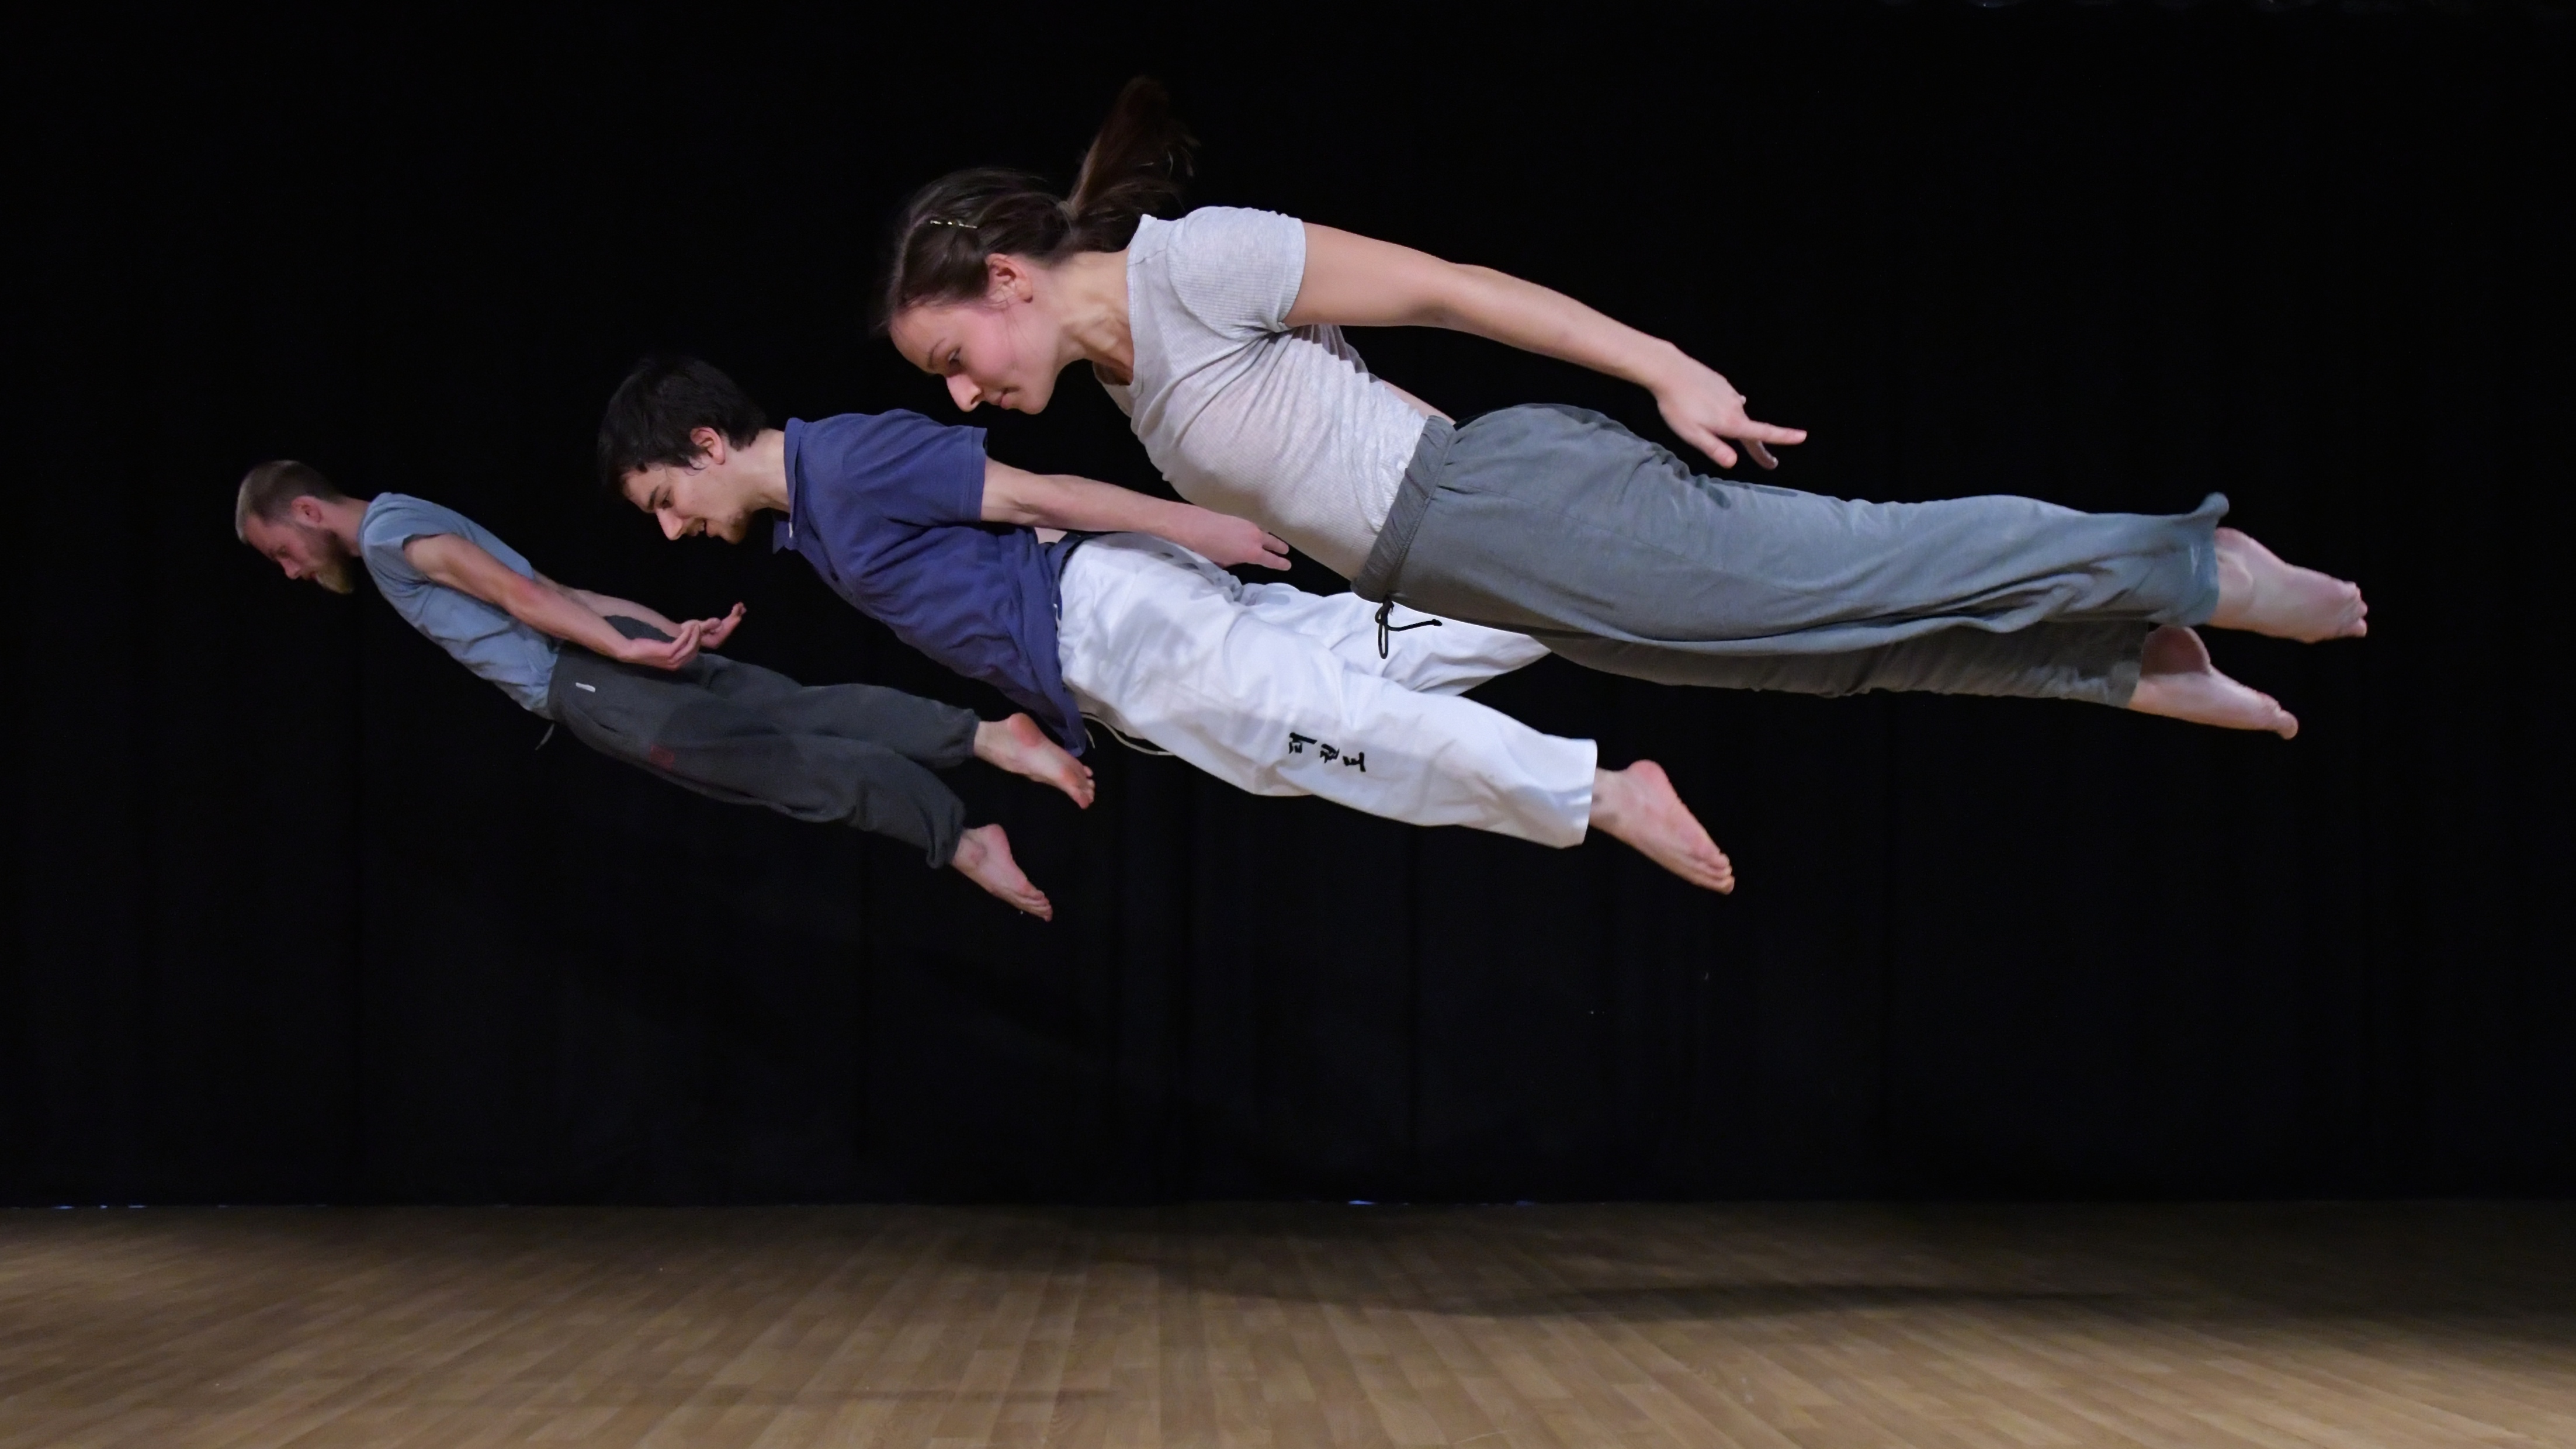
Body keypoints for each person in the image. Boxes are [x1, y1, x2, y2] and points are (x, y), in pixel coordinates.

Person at [879, 79, 2371, 741]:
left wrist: (1658, 365)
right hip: (1468, 555)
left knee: (1856, 564)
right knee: (1812, 663)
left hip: (1504, 511)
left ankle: (2194, 568)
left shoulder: (1195, 264)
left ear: (1007, 275)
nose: (964, 397)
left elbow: (1452, 290)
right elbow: (1343, 415)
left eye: (951, 357)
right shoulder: (1135, 390)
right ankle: (2122, 668)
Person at [598, 355, 1738, 895]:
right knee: (1382, 649)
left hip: (1117, 623)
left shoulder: (842, 456)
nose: (672, 528)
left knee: (1327, 726)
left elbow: (1035, 494)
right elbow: (992, 570)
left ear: (704, 445)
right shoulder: (815, 517)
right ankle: (1651, 568)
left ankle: (1600, 791)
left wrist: (1203, 529)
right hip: (1110, 621)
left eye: (664, 501)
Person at [233, 459, 1085, 918]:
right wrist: (658, 630)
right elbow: (557, 590)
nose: (290, 573)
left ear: (306, 512)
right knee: (792, 706)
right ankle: (987, 737)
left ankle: (964, 838)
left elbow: (522, 600)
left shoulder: (387, 542)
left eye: (279, 553)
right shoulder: (407, 508)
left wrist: (624, 654)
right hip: (607, 652)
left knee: (778, 762)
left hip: (588, 680)